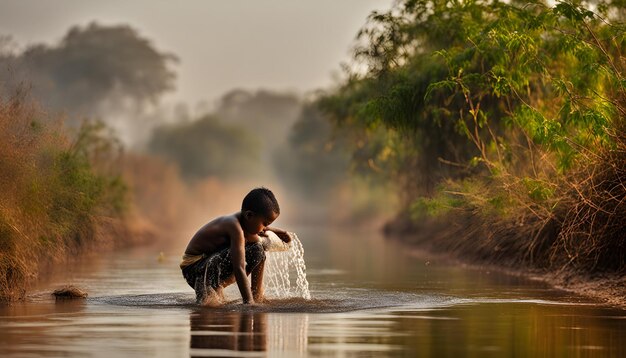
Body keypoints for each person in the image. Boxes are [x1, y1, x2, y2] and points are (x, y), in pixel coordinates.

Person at [180, 187, 291, 305]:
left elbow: (257, 235)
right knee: (256, 248)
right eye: (265, 224)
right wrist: (248, 303)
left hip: (206, 264)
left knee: (258, 250)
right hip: (194, 269)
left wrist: (279, 232)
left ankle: (257, 294)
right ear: (249, 216)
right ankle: (248, 298)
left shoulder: (245, 223)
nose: (265, 229)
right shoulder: (234, 226)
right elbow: (239, 267)